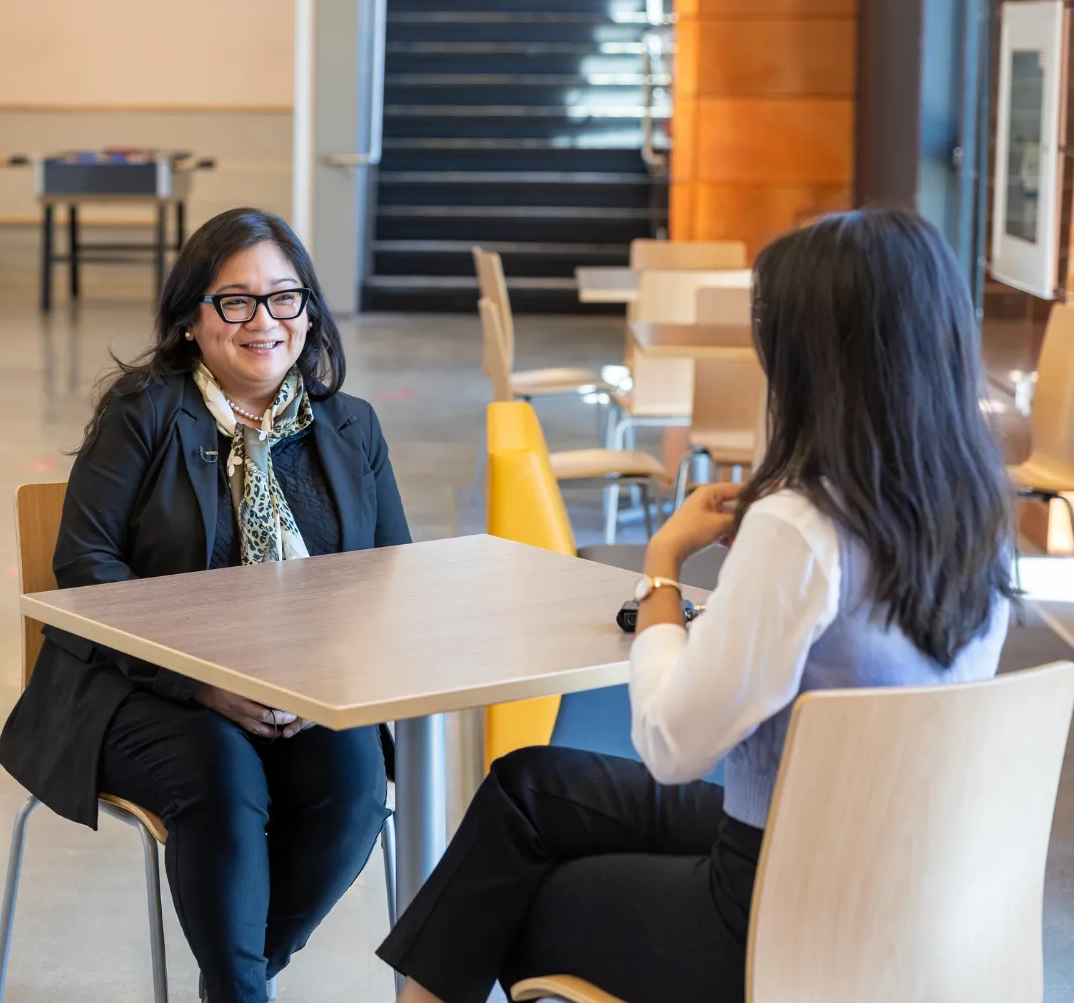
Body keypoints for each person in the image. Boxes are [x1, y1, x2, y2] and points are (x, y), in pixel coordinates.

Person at [378, 207, 1016, 1003]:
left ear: (816, 359)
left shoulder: (802, 527)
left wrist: (663, 572)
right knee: (526, 788)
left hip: (765, 910)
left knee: (507, 900)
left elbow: (672, 744)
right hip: (910, 891)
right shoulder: (980, 518)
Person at [0, 207, 410, 1003]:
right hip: (137, 685)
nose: (264, 321)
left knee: (356, 784)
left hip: (301, 691)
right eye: (235, 301)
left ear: (310, 312)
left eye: (284, 298)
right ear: (192, 318)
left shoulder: (351, 427)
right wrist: (202, 684)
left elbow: (388, 579)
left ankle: (237, 985)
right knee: (221, 774)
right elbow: (84, 568)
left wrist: (319, 686)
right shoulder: (144, 412)